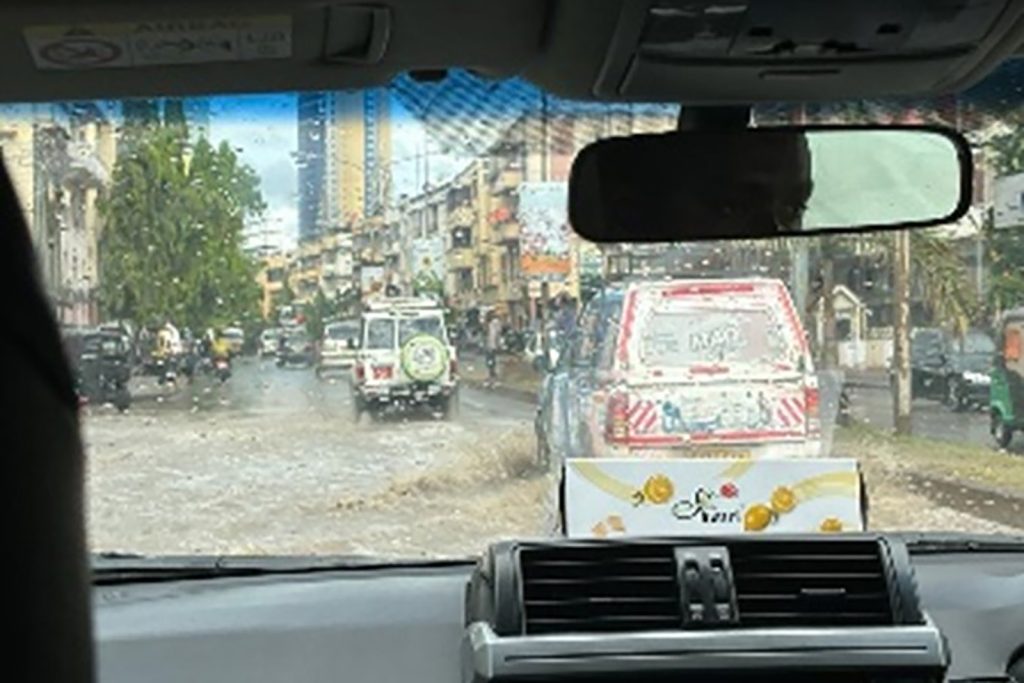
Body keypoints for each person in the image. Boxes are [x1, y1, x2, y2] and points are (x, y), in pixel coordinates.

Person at [485, 312, 502, 386]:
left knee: (491, 362)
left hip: (491, 346)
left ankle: (493, 377)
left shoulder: (494, 324)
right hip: (491, 346)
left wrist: (496, 345)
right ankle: (492, 376)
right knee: (491, 362)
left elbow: (495, 336)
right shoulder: (492, 324)